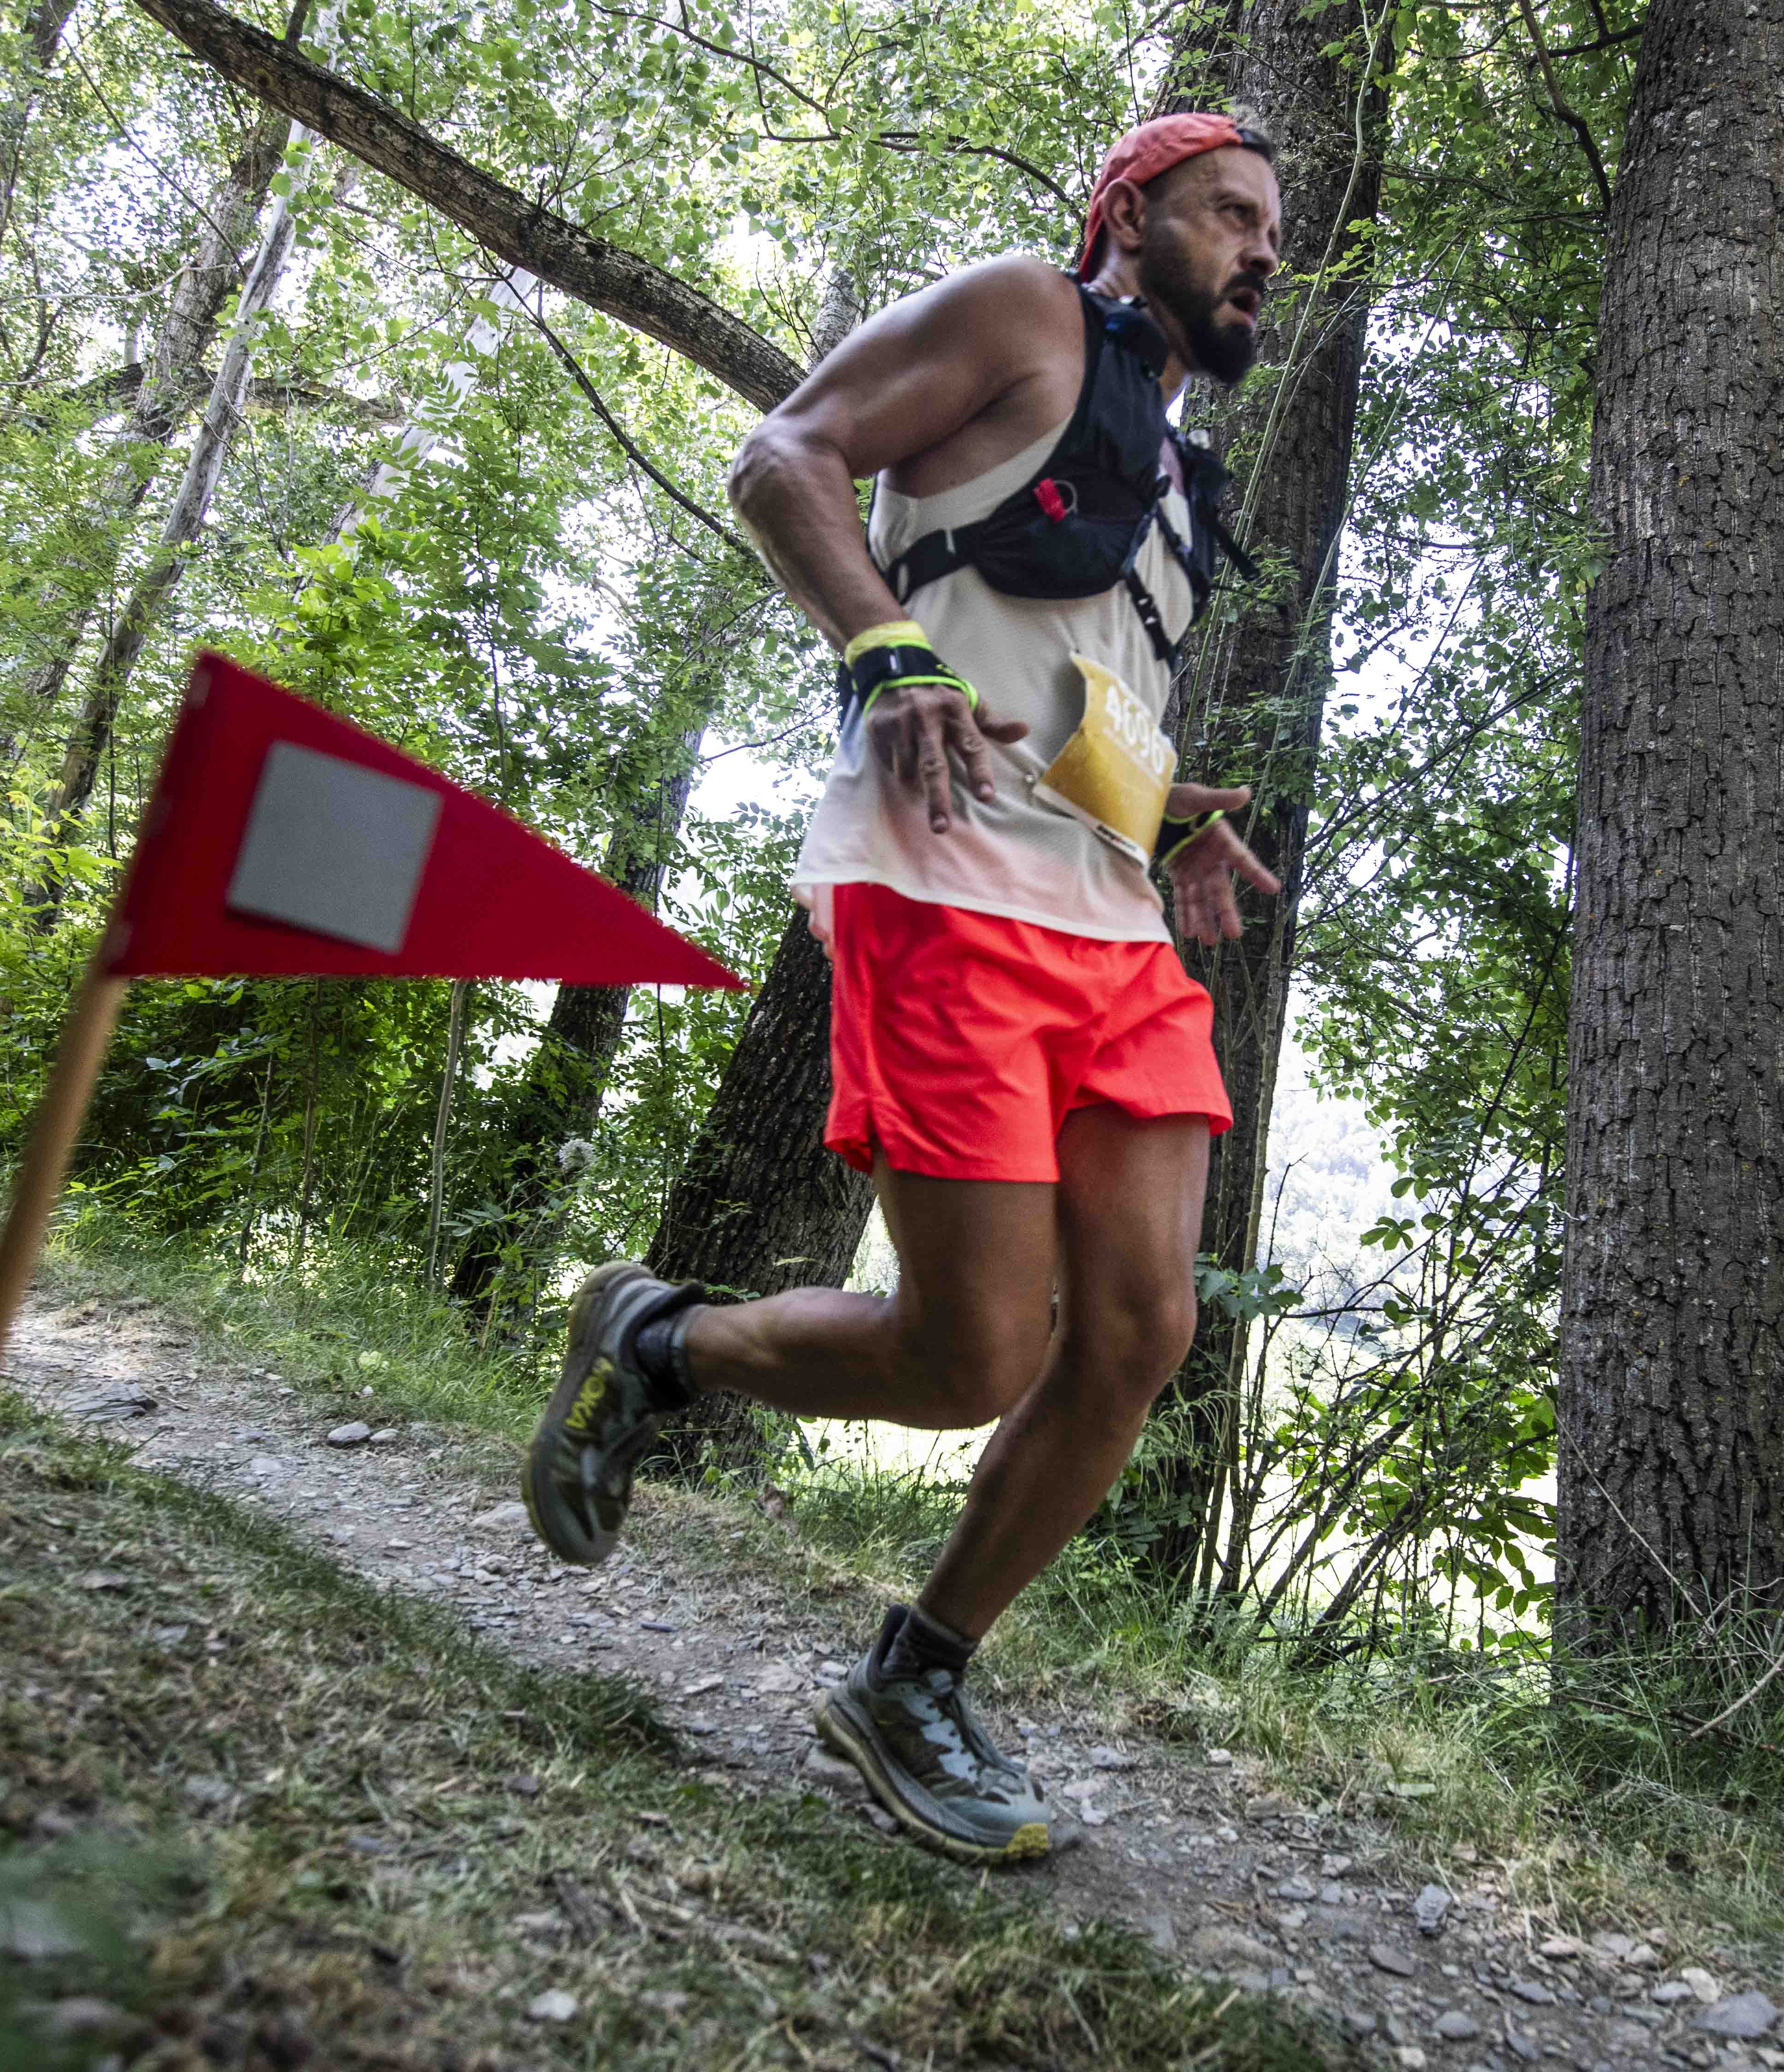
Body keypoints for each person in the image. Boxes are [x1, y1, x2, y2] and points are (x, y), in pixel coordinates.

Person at [521, 112, 1289, 1864]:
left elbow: (1056, 693)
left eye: (1273, 230)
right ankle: (660, 1338)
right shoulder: (1025, 312)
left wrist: (1165, 812)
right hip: (942, 888)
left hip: (1112, 921)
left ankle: (914, 1676)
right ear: (1128, 212)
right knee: (970, 1357)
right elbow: (783, 454)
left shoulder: (1177, 476)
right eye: (1230, 212)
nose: (1261, 249)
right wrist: (881, 653)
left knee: (1142, 1331)